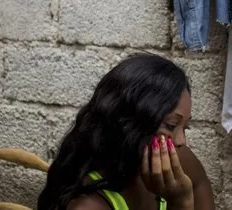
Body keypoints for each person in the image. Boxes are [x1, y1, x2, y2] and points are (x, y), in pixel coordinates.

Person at [37, 54, 215, 210]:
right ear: (129, 124)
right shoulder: (88, 204)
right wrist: (179, 203)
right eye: (170, 125)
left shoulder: (179, 165)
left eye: (185, 127)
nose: (181, 141)